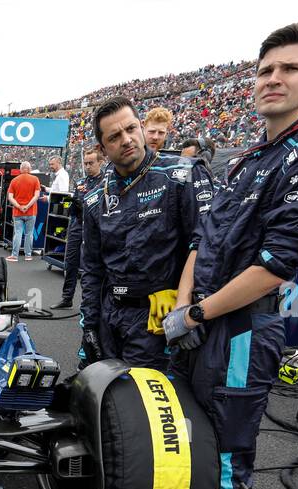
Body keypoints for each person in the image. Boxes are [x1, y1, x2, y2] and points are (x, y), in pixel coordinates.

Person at [166, 19, 298, 489]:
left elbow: (277, 263)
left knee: (224, 454)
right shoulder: (248, 158)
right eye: (265, 69)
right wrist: (182, 305)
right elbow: (205, 239)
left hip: (242, 330)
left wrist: (197, 311)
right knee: (187, 441)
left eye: (290, 68)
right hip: (200, 322)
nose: (273, 78)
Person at [78, 96, 204, 369]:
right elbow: (91, 267)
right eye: (115, 136)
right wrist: (89, 324)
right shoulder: (94, 197)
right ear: (103, 148)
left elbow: (205, 244)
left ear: (141, 127)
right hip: (111, 317)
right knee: (103, 401)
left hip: (159, 320)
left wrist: (191, 308)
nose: (126, 140)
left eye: (131, 129)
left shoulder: (182, 176)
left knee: (145, 406)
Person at [51, 144, 103, 310]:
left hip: (96, 228)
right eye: (86, 163)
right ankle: (67, 297)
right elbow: (71, 204)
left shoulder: (105, 182)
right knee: (70, 261)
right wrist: (69, 203)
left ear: (100, 162)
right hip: (76, 225)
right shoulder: (80, 182)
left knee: (92, 265)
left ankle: (93, 301)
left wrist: (86, 205)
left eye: (91, 163)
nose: (87, 166)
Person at [6, 161, 40, 262]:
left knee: (18, 233)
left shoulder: (14, 180)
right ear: (29, 169)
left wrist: (19, 206)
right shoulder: (35, 179)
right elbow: (37, 195)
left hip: (17, 212)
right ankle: (28, 255)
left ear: (20, 170)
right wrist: (28, 206)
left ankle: (14, 255)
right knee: (29, 234)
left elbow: (10, 197)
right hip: (31, 211)